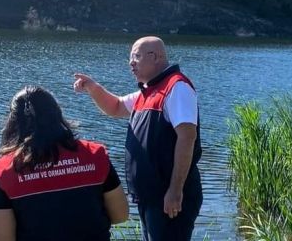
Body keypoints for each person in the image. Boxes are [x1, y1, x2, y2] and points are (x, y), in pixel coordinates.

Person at [73, 36, 202, 241]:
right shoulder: (148, 91)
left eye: (136, 56)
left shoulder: (176, 87)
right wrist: (92, 87)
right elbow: (114, 107)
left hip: (169, 197)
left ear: (156, 57)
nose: (131, 62)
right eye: (130, 58)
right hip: (151, 197)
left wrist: (175, 191)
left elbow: (187, 138)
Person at [0, 86, 128, 241]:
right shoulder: (95, 155)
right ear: (57, 115)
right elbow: (120, 215)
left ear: (13, 123)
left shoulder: (6, 171)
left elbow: (2, 238)